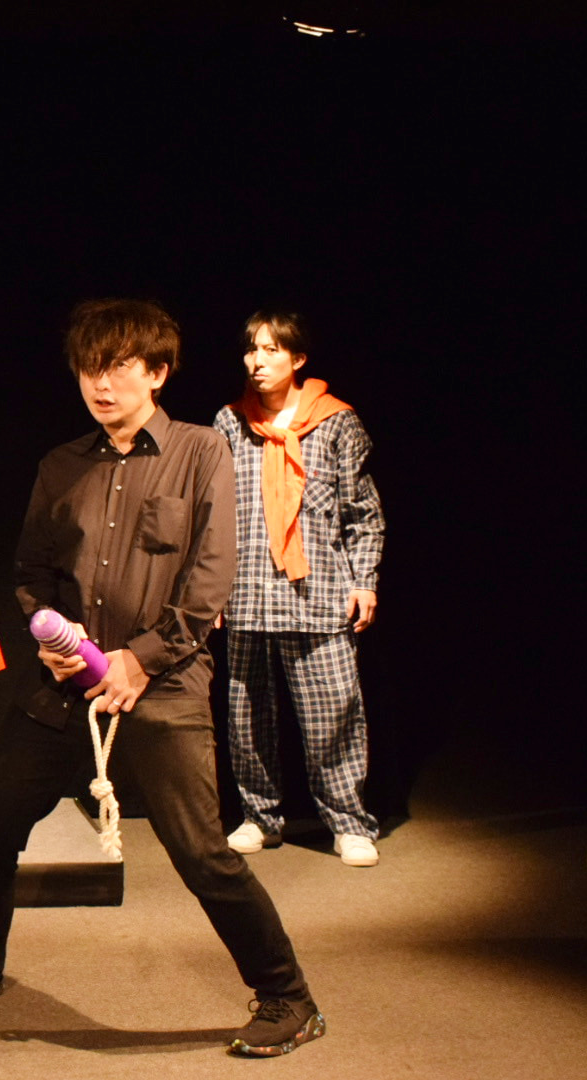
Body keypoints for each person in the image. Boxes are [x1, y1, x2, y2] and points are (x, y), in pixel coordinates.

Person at [0, 298, 324, 1057]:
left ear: (158, 372)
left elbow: (210, 578)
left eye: (118, 367)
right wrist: (48, 637)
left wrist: (143, 657)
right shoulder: (61, 465)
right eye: (88, 369)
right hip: (66, 686)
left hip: (163, 686)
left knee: (202, 855)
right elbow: (33, 572)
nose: (100, 384)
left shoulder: (202, 451)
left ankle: (289, 998)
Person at [213, 310, 386, 868]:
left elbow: (363, 511)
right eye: (251, 350)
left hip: (317, 592)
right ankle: (259, 817)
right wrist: (208, 588)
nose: (257, 361)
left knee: (333, 712)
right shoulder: (229, 422)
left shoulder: (336, 423)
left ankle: (349, 823)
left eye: (271, 350)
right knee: (247, 717)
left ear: (298, 358)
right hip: (246, 591)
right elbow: (212, 514)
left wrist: (364, 581)